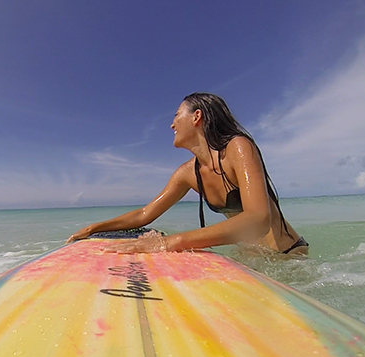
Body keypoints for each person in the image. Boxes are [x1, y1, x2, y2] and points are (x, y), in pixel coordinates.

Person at [68, 92, 308, 255]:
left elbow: (258, 218)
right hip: (254, 258)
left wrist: (170, 242)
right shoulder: (187, 173)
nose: (172, 125)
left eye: (176, 115)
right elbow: (144, 214)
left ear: (197, 117)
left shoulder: (237, 147)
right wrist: (94, 228)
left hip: (288, 256)